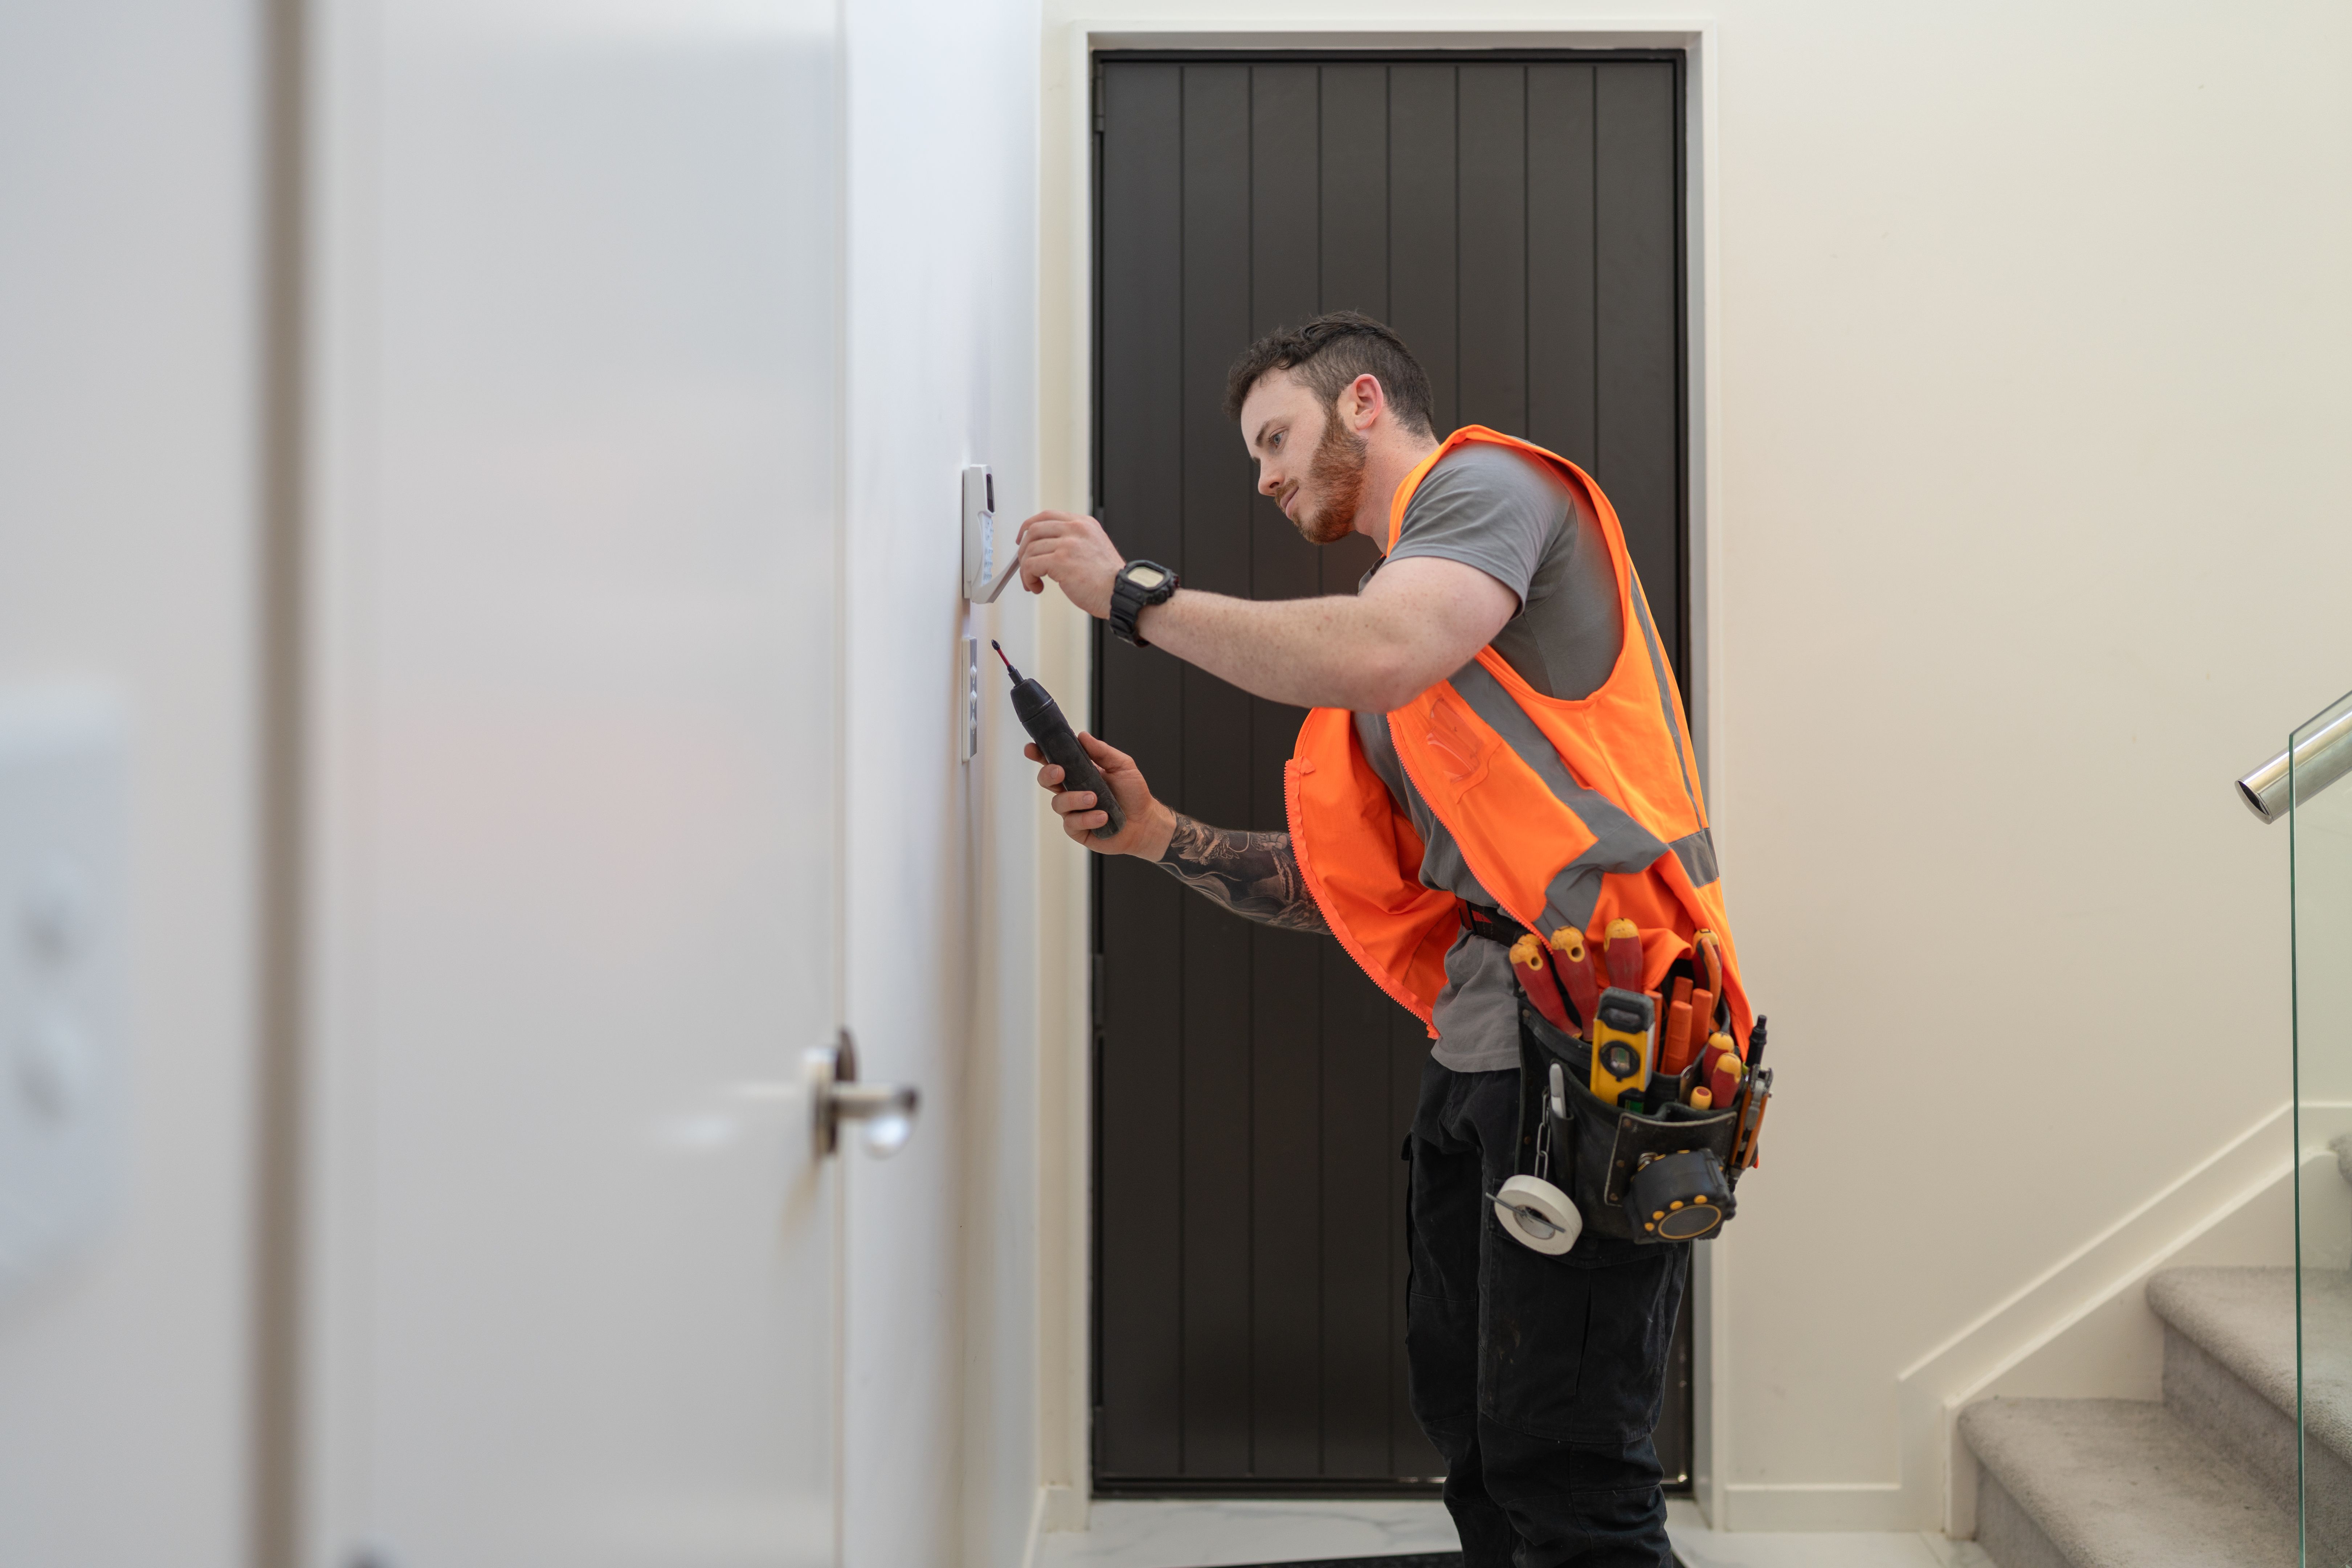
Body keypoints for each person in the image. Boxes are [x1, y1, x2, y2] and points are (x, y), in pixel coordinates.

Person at [1016, 311, 1752, 1568]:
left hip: (1602, 1040)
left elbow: (1381, 645)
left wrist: (1129, 597)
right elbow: (1348, 888)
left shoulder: (1486, 493)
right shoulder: (1405, 658)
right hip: (1486, 1057)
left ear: (1363, 403)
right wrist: (1157, 837)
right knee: (1476, 1436)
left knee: (1571, 1472)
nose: (1263, 476)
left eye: (1277, 438)